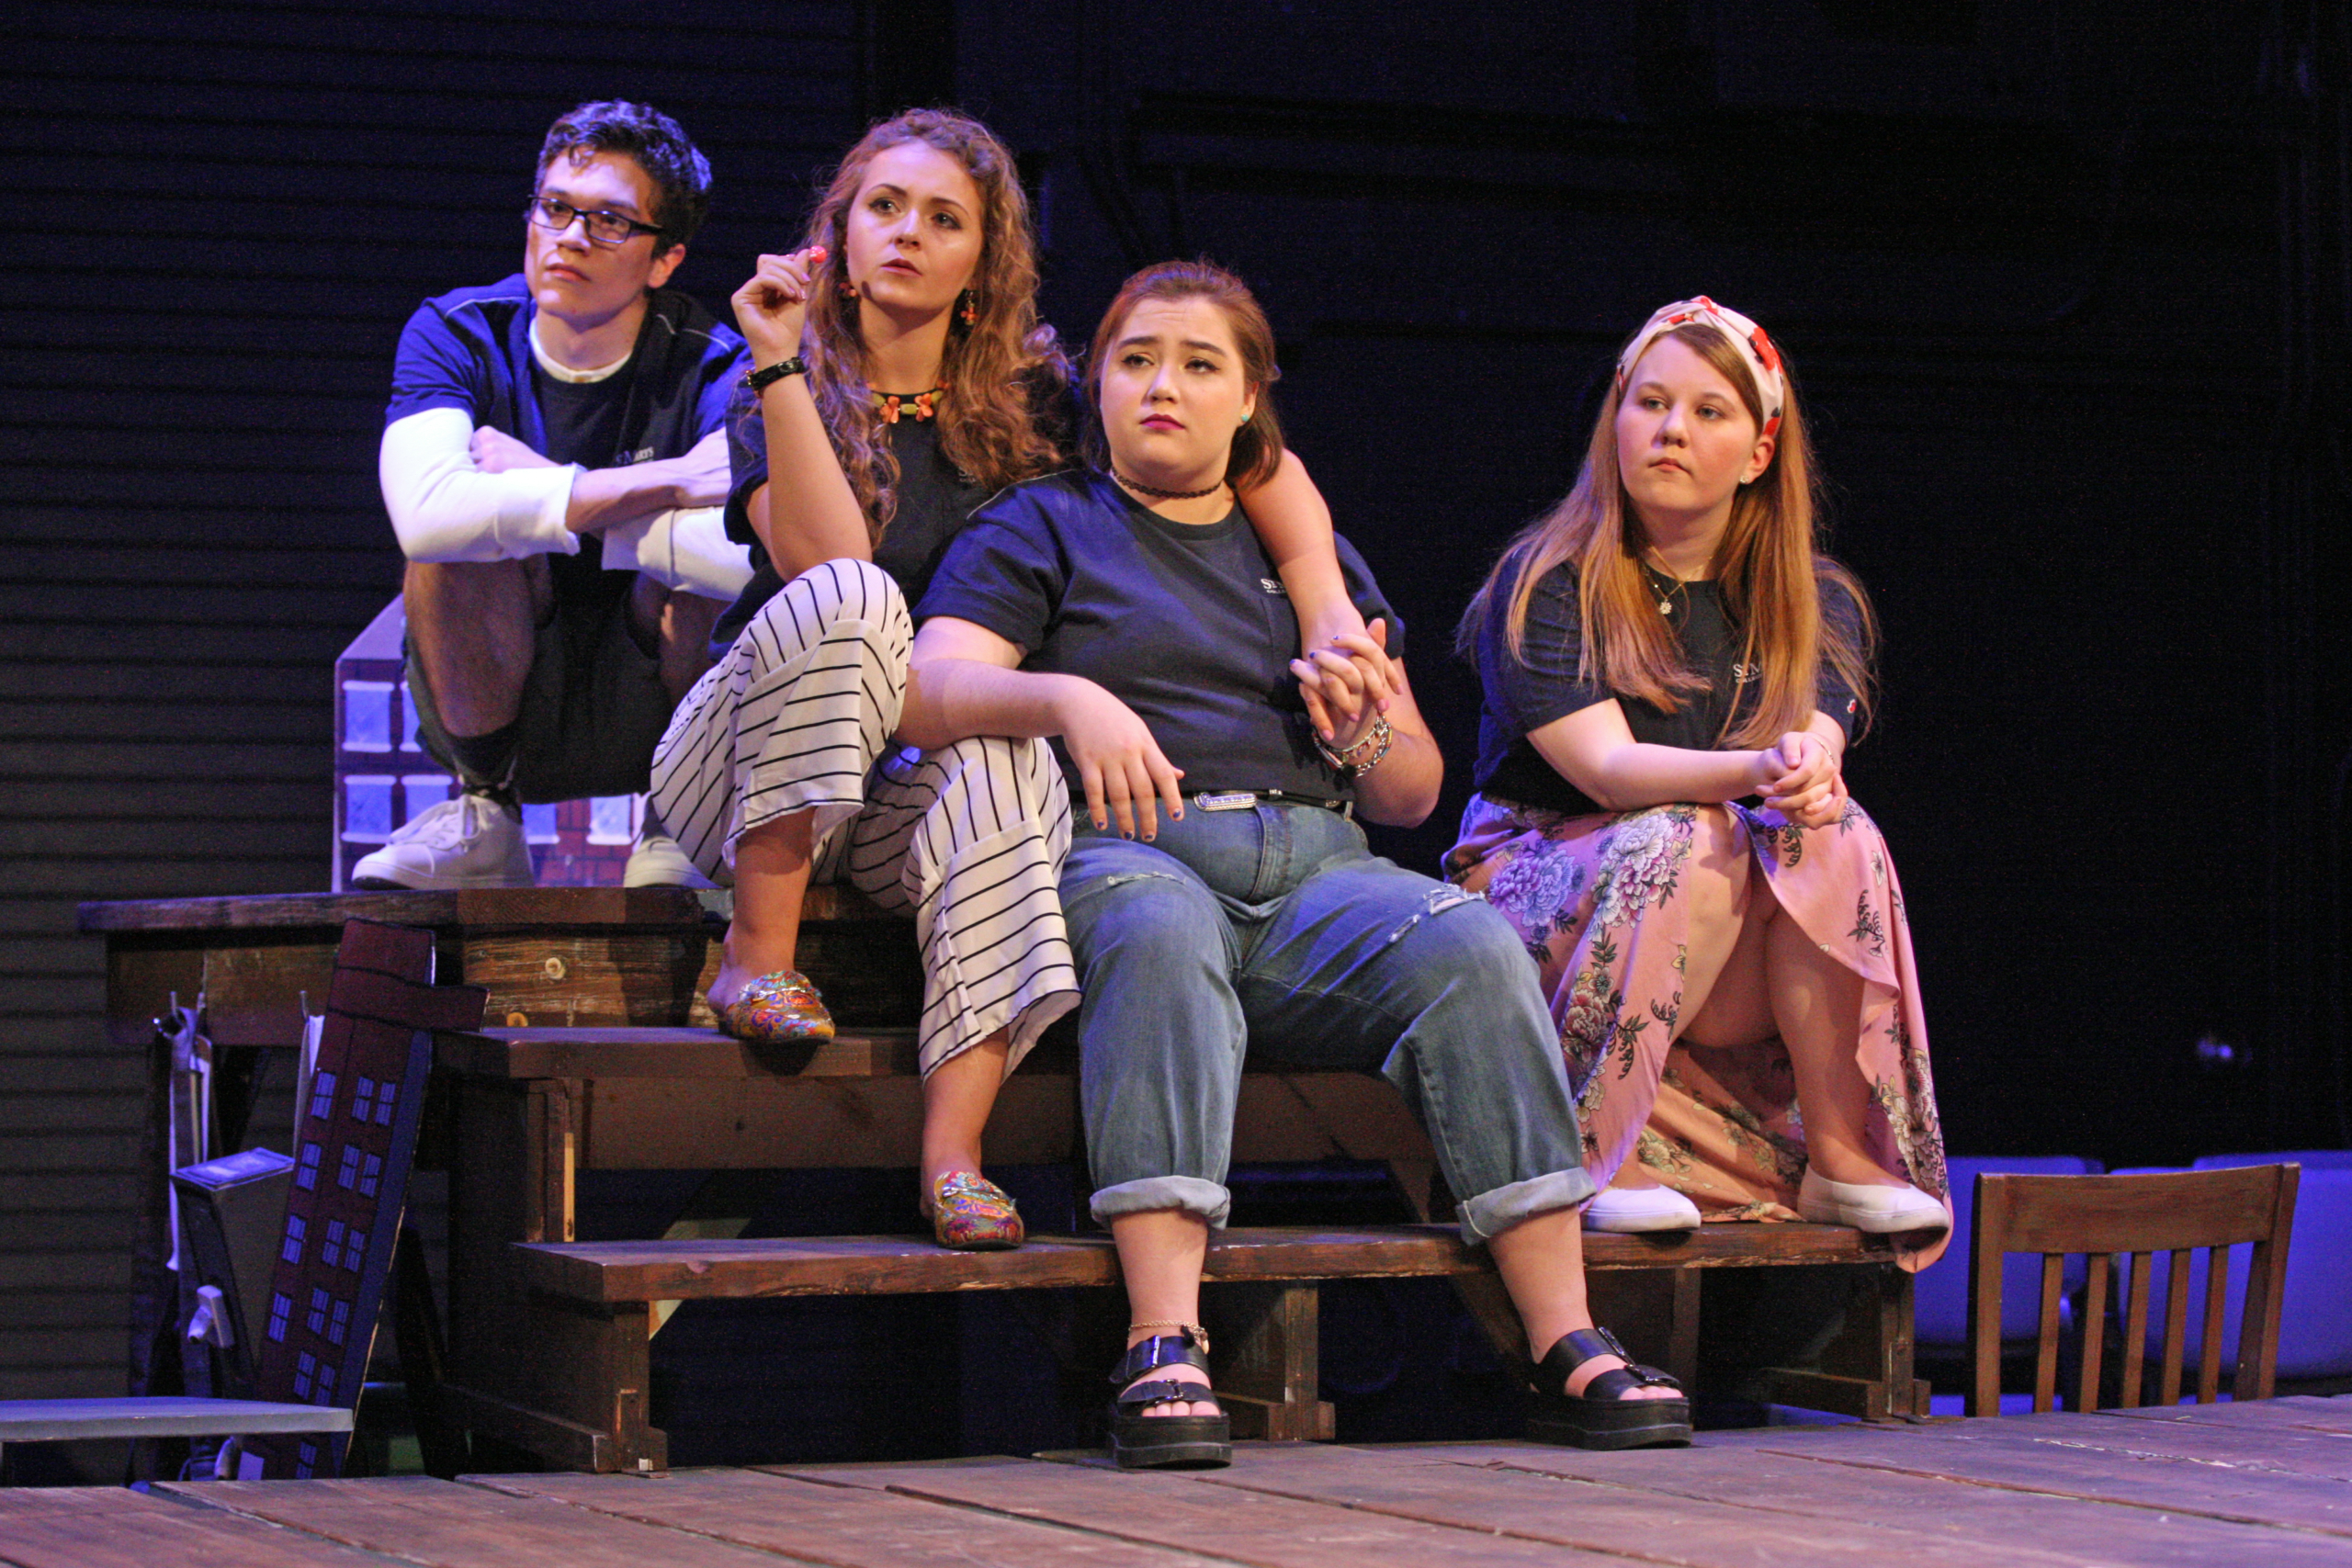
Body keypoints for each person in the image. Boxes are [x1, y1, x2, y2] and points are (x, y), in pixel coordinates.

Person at [905, 260, 1691, 1468]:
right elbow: (927, 688)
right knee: (1162, 937)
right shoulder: (1046, 522)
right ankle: (1162, 1337)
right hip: (1136, 850)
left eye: (1199, 363)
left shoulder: (1305, 559)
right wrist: (1065, 695)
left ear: (1249, 401)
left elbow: (1414, 789)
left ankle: (1562, 1335)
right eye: (1137, 358)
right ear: (1099, 384)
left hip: (1319, 864)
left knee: (1470, 944)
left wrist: (1363, 727)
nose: (1163, 384)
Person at [646, 110, 1366, 1253]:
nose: (908, 236)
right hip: (751, 768)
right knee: (860, 600)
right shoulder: (763, 376)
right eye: (883, 207)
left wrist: (1325, 607)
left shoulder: (1033, 398)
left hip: (895, 782)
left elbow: (1256, 458)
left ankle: (952, 1159)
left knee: (1007, 772)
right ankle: (757, 960)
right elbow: (828, 564)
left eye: (945, 220)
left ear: (984, 259)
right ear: (839, 225)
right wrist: (781, 362)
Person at [1448, 297, 1950, 1267]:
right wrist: (1757, 770)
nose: (1670, 429)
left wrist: (1806, 771)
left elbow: (1816, 740)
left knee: (1837, 834)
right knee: (1689, 829)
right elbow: (1606, 768)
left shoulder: (1817, 599)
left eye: (1707, 412)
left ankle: (1840, 1154)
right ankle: (1601, 1152)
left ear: (1758, 451)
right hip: (1535, 883)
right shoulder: (1552, 579)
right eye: (1649, 403)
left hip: (1713, 909)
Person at [358, 101, 751, 891]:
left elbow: (753, 564)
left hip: (655, 693)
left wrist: (539, 494)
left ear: (665, 259)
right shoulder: (458, 331)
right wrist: (664, 484)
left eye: (610, 221)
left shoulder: (717, 365)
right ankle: (485, 813)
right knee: (456, 547)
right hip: (502, 688)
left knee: (698, 570)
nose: (571, 235)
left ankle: (681, 822)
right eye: (557, 208)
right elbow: (427, 517)